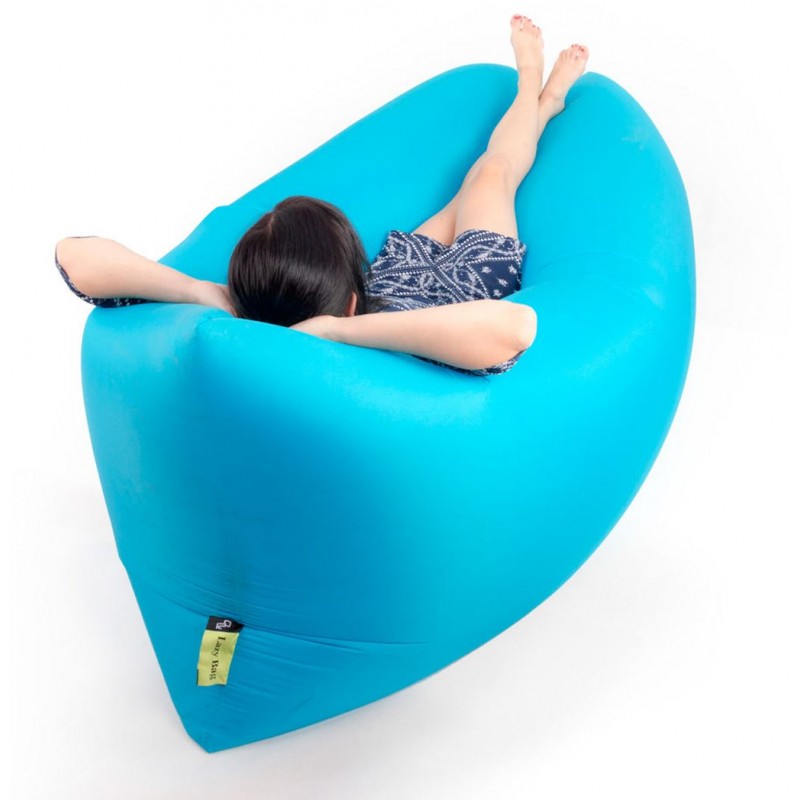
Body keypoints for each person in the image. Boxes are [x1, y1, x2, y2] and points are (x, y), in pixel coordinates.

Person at [54, 15, 588, 376]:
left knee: (469, 185)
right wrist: (336, 331)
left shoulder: (254, 323)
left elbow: (74, 255)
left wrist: (205, 292)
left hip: (396, 277)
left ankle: (537, 109)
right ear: (349, 303)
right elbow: (515, 326)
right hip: (469, 283)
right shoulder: (343, 337)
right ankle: (534, 90)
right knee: (492, 174)